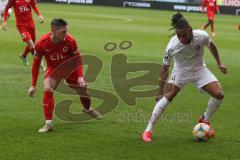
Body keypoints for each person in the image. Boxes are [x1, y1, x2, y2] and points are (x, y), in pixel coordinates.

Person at [142, 12, 227, 142]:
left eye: (184, 35)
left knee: (219, 94)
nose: (181, 38)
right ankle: (148, 130)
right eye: (178, 35)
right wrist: (159, 91)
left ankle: (205, 119)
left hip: (200, 70)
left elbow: (212, 46)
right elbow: (165, 67)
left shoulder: (201, 36)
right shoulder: (172, 45)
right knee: (169, 95)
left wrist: (219, 63)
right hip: (180, 71)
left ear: (190, 30)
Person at [28, 18, 102, 133]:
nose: (66, 34)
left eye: (66, 31)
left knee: (83, 89)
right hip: (54, 70)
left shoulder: (70, 40)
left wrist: (80, 77)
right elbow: (36, 64)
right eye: (63, 31)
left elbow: (77, 59)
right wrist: (33, 85)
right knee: (48, 88)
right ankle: (48, 123)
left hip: (70, 68)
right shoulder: (41, 43)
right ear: (53, 30)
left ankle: (87, 109)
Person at [2, 0, 45, 69]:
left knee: (32, 43)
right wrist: (4, 21)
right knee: (31, 45)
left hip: (31, 24)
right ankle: (39, 61)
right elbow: (7, 8)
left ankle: (23, 55)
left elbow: (33, 5)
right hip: (21, 26)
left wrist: (39, 15)